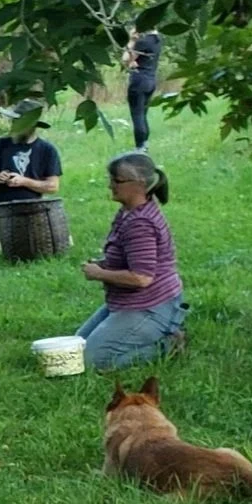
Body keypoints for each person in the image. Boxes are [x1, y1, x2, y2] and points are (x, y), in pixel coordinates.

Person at [76, 150, 187, 370]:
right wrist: (104, 263)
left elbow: (141, 278)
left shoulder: (140, 223)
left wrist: (99, 273)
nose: (110, 185)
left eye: (116, 181)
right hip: (128, 303)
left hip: (151, 306)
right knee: (75, 348)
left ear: (138, 184)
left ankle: (168, 345)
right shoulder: (127, 212)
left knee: (90, 362)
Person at [0, 99, 62, 249]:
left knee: (41, 248)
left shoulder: (47, 150)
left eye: (19, 122)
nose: (13, 125)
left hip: (35, 211)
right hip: (1, 210)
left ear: (31, 125)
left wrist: (24, 181)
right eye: (13, 121)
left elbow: (53, 186)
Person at [123, 24, 163, 150]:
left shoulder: (143, 42)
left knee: (137, 115)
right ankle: (145, 144)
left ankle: (140, 147)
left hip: (139, 80)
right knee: (143, 114)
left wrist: (131, 40)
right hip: (151, 80)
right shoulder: (157, 41)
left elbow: (125, 58)